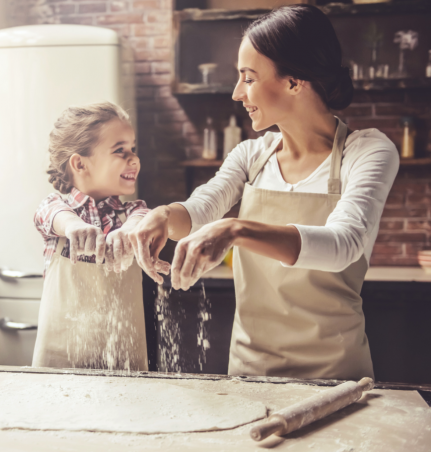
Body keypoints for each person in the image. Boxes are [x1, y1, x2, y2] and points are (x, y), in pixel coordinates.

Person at [129, 5, 399, 380]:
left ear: (294, 81)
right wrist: (161, 215)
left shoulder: (366, 151)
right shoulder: (251, 155)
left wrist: (235, 229)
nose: (238, 93)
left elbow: (344, 244)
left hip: (336, 375)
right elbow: (199, 209)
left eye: (248, 78)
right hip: (251, 370)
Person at [32, 102, 169, 371]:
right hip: (61, 362)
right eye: (120, 151)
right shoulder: (58, 210)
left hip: (122, 361)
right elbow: (50, 214)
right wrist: (73, 225)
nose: (134, 159)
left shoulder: (134, 212)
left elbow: (142, 219)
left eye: (133, 149)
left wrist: (129, 231)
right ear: (79, 163)